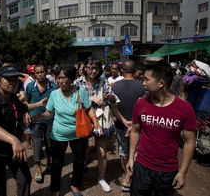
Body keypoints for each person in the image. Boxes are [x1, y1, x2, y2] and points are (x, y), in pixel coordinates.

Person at [126, 61, 197, 196]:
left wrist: (182, 172)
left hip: (167, 171)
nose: (143, 83)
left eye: (146, 79)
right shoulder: (141, 103)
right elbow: (135, 131)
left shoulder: (185, 109)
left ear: (161, 83)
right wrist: (131, 158)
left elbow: (189, 142)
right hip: (141, 167)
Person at [34, 65, 102, 196]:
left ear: (71, 79)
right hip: (58, 135)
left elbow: (88, 108)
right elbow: (49, 113)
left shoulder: (80, 91)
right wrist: (41, 116)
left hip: (78, 134)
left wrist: (96, 122)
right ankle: (55, 189)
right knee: (56, 163)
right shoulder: (54, 94)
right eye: (58, 78)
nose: (60, 81)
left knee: (79, 161)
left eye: (64, 78)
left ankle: (75, 185)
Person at [0, 66, 47, 196]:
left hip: (13, 150)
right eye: (8, 79)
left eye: (15, 79)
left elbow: (23, 108)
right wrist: (13, 139)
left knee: (24, 179)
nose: (13, 82)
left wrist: (39, 104)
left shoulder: (13, 98)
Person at [74, 59, 120, 192]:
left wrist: (110, 97)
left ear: (100, 70)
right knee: (81, 151)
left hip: (101, 119)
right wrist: (91, 99)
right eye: (90, 67)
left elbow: (113, 98)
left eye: (96, 68)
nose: (93, 71)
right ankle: (78, 179)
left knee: (102, 152)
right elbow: (73, 99)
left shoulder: (103, 81)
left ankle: (101, 178)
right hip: (84, 118)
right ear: (85, 68)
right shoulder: (77, 82)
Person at [112, 60, 145, 192]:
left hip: (120, 124)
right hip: (138, 126)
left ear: (122, 70)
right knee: (136, 150)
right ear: (135, 70)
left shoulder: (114, 86)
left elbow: (113, 106)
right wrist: (133, 122)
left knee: (123, 150)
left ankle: (126, 173)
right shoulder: (143, 86)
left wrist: (124, 121)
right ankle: (130, 177)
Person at [26, 64, 58, 183]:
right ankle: (38, 169)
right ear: (34, 73)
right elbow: (26, 101)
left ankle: (49, 163)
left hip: (50, 120)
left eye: (42, 72)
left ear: (46, 72)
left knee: (50, 144)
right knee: (37, 145)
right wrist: (26, 114)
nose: (40, 75)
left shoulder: (54, 86)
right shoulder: (30, 86)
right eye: (37, 72)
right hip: (35, 121)